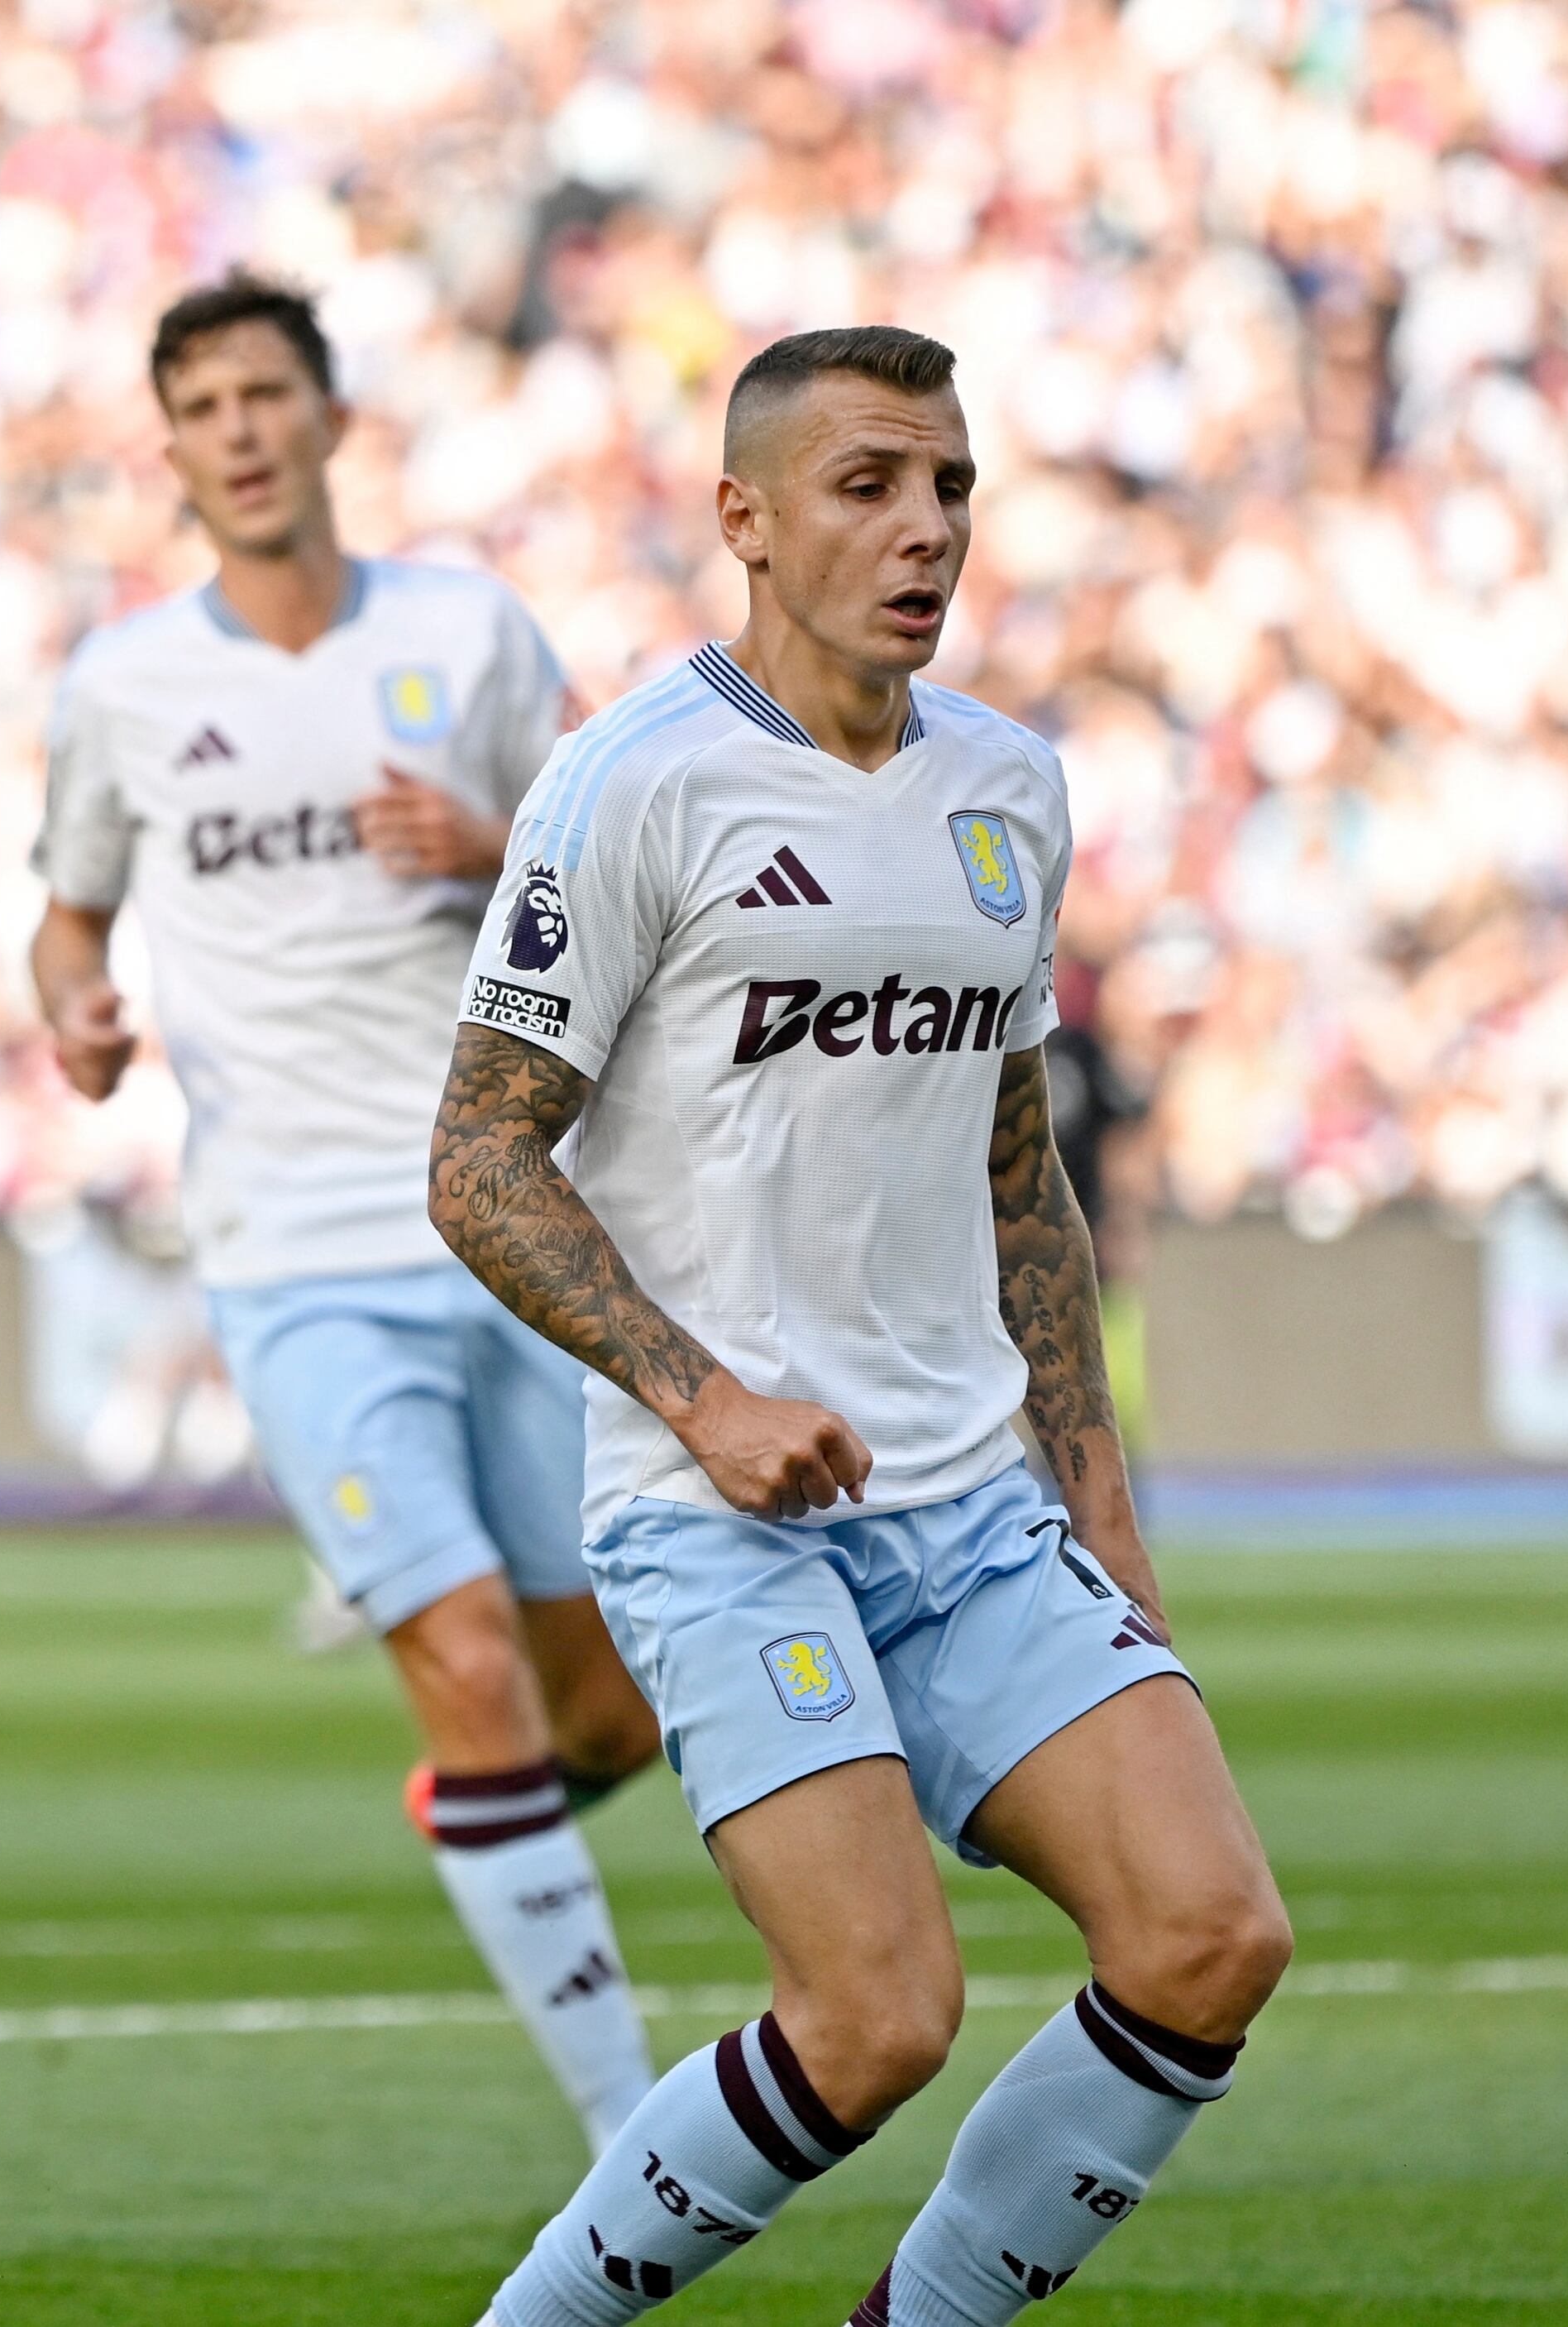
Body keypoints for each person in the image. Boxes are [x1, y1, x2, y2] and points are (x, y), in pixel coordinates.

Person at [428, 325, 1293, 2327]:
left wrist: (1097, 1495)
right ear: (743, 519)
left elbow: (1017, 1181)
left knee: (1205, 1936)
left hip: (975, 1501)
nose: (926, 530)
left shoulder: (1009, 789)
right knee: (876, 2012)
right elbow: (479, 1161)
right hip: (718, 1510)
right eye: (869, 485)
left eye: (952, 487)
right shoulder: (629, 784)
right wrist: (704, 1399)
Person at [28, 274, 663, 2160]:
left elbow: (618, 874)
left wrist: (486, 849)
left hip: (517, 1224)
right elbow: (66, 911)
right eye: (202, 402)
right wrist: (69, 1002)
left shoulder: (467, 635)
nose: (237, 428)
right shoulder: (127, 686)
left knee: (604, 1719)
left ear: (327, 419)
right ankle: (637, 2142)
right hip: (296, 1253)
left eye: (265, 393)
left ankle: (488, 1810)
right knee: (467, 1667)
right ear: (172, 452)